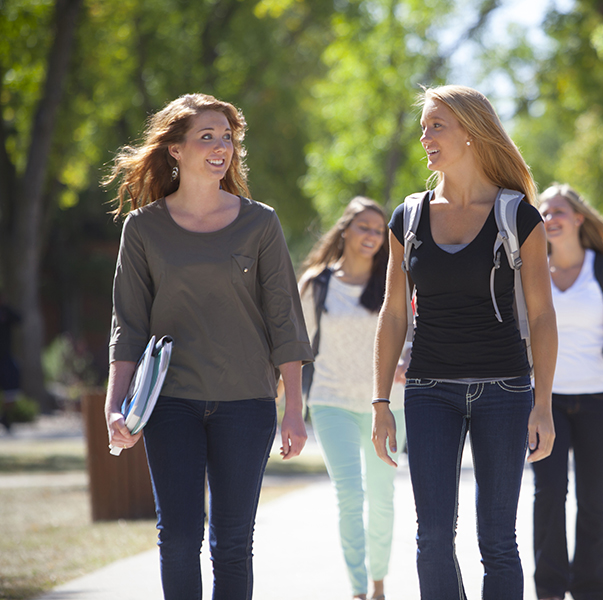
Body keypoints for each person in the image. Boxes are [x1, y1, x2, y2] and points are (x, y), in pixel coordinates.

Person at [103, 93, 313, 600]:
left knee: (233, 543)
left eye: (228, 138)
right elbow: (128, 324)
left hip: (247, 404)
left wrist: (294, 408)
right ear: (175, 149)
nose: (222, 147)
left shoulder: (260, 222)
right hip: (169, 403)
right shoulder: (143, 227)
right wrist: (115, 404)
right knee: (177, 538)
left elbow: (283, 316)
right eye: (207, 137)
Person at [371, 84, 558, 600]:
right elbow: (392, 316)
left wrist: (542, 403)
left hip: (506, 389)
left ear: (472, 133)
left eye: (437, 125)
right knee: (432, 538)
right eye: (424, 125)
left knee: (497, 539)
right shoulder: (407, 218)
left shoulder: (517, 216)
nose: (425, 135)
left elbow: (542, 316)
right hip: (430, 389)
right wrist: (381, 401)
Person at [531, 183, 603, 600]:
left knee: (593, 498)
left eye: (559, 211)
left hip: (600, 400)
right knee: (549, 493)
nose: (550, 217)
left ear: (578, 219)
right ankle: (550, 589)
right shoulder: (531, 267)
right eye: (544, 212)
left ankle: (591, 589)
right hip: (546, 403)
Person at [299, 196, 407, 600]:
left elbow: (413, 336)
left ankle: (379, 584)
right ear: (344, 229)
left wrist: (407, 358)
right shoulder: (315, 284)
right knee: (349, 495)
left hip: (389, 406)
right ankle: (359, 590)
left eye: (379, 230)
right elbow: (293, 349)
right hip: (331, 402)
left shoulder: (395, 281)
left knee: (381, 497)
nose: (372, 236)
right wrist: (283, 407)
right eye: (364, 227)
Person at [0, 291, 22, 432]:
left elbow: (19, 319)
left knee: (11, 389)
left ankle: (6, 417)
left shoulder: (6, 312)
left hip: (5, 357)